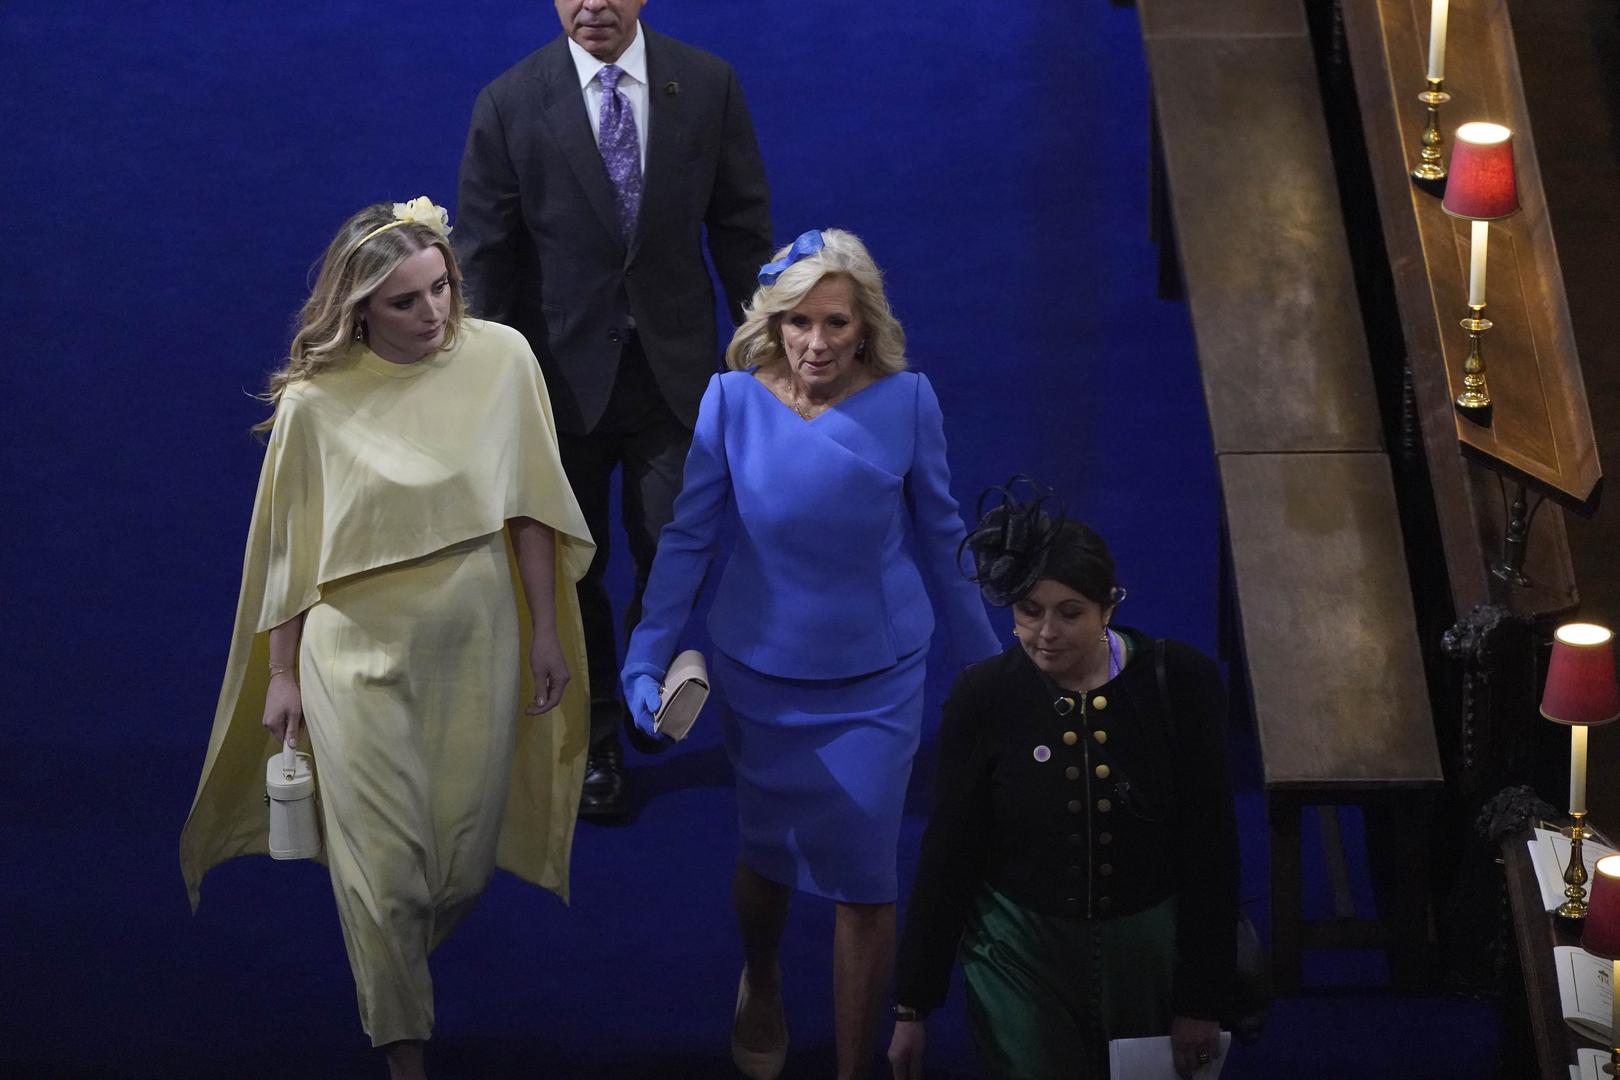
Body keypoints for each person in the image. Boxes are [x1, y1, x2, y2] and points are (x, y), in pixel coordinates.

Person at [179, 198, 595, 1080]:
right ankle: (405, 1054)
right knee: (388, 878)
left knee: (461, 869)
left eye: (442, 287)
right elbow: (287, 550)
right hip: (353, 652)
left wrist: (547, 633)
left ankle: (395, 967)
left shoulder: (503, 358)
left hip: (478, 637)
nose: (435, 312)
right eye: (407, 301)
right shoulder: (315, 405)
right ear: (358, 306)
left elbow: (530, 506)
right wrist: (283, 672)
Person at [618, 229, 1001, 1080]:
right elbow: (687, 540)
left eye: (834, 322)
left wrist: (991, 676)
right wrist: (646, 658)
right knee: (766, 862)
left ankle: (853, 1069)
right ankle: (761, 976)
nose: (816, 342)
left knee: (867, 879)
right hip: (762, 677)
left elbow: (945, 542)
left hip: (877, 680)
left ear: (863, 326)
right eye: (798, 322)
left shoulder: (908, 402)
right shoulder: (729, 402)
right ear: (773, 323)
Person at [454, 0, 773, 820]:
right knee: (573, 569)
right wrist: (477, 387)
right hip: (559, 383)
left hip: (674, 374)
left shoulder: (707, 85)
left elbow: (741, 230)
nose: (590, 4)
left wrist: (769, 352)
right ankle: (597, 738)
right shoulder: (509, 102)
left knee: (676, 546)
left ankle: (644, 676)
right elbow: (484, 259)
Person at [886, 485, 1239, 1080]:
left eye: (1069, 612)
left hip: (1146, 949)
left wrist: (1202, 1000)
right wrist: (911, 1005)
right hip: (1017, 950)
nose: (1046, 631)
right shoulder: (984, 697)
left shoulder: (1180, 682)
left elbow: (1211, 847)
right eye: (1029, 611)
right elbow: (949, 854)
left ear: (1108, 607)